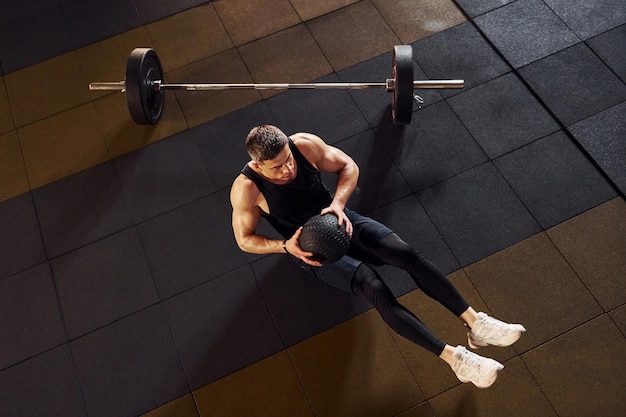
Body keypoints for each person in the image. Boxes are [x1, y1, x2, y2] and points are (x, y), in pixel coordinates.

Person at [230, 125, 526, 388]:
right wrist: (285, 247)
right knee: (374, 287)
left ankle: (477, 325)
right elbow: (244, 240)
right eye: (277, 167)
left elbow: (347, 166)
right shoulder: (247, 189)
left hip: (339, 218)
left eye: (289, 159)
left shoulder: (304, 145)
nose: (288, 169)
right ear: (258, 164)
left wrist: (337, 204)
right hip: (309, 248)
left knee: (406, 254)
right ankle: (456, 360)